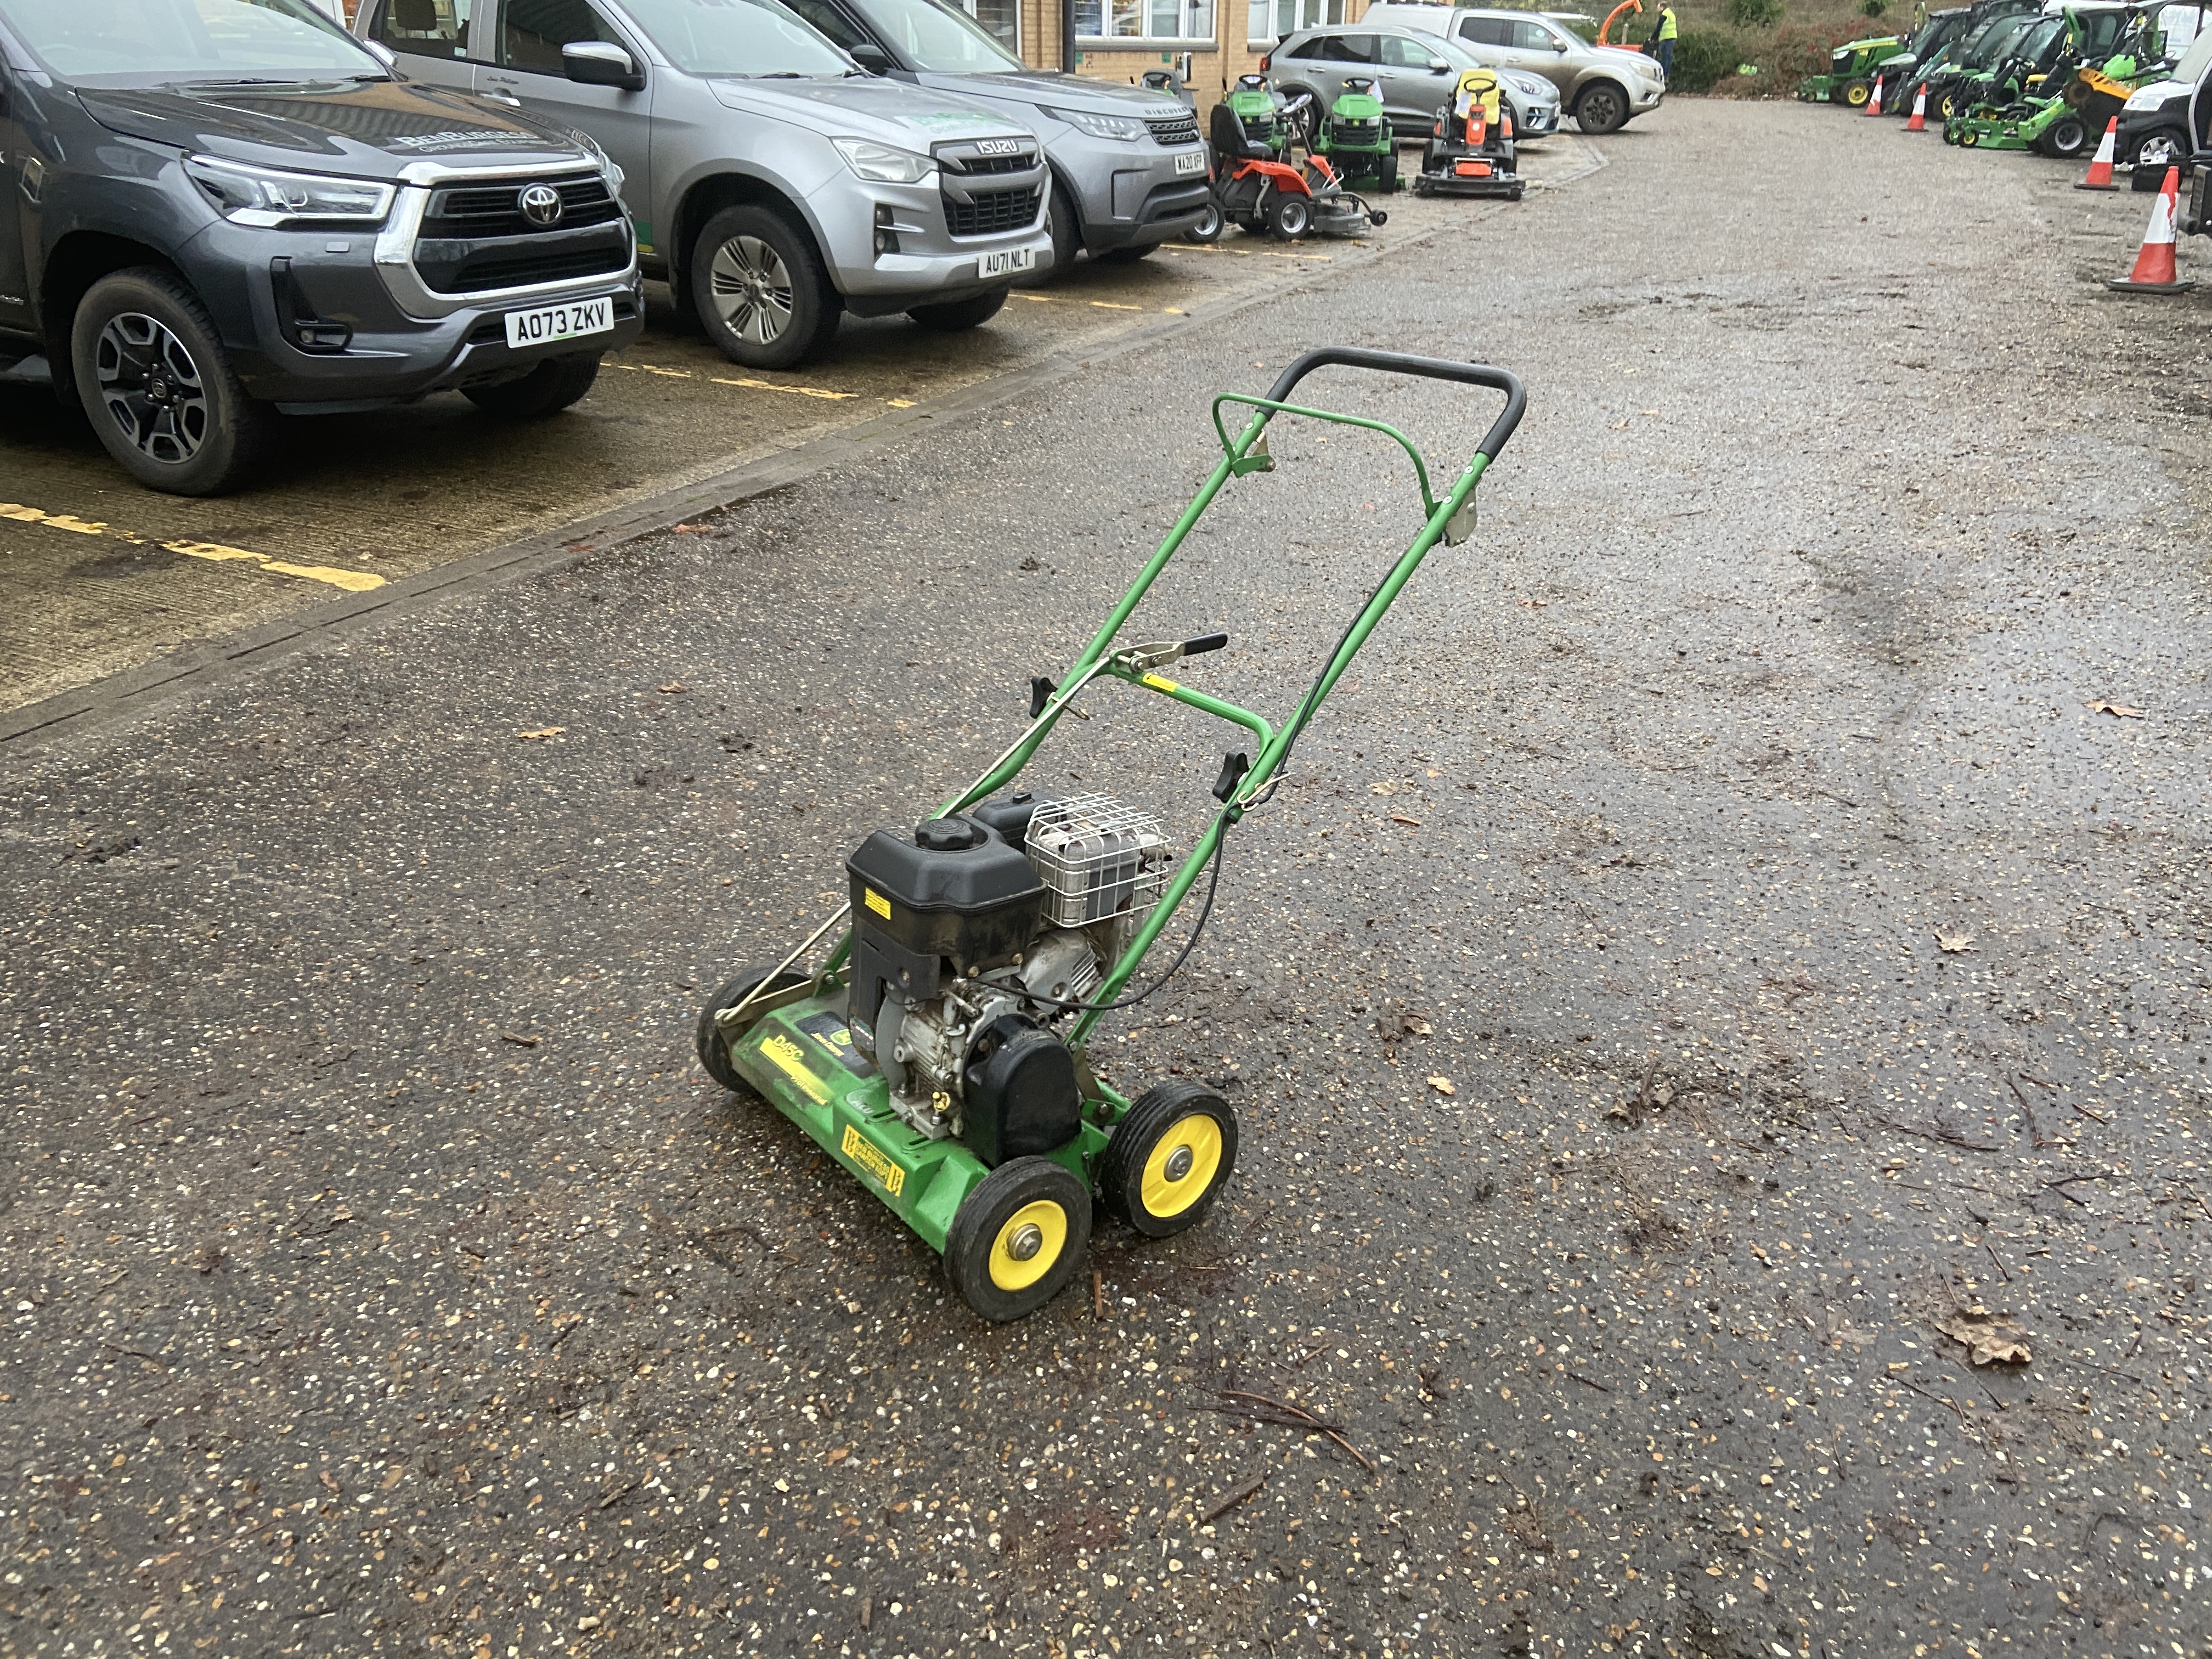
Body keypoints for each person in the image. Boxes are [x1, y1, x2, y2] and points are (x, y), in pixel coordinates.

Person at [1650, 2, 1677, 77]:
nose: (1657, 10)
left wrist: (1653, 38)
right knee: (1668, 57)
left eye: (1658, 8)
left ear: (1662, 7)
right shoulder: (1671, 13)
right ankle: (1666, 75)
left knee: (1664, 57)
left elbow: (1659, 27)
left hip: (1666, 38)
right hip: (1672, 37)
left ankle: (1663, 75)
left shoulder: (1664, 14)